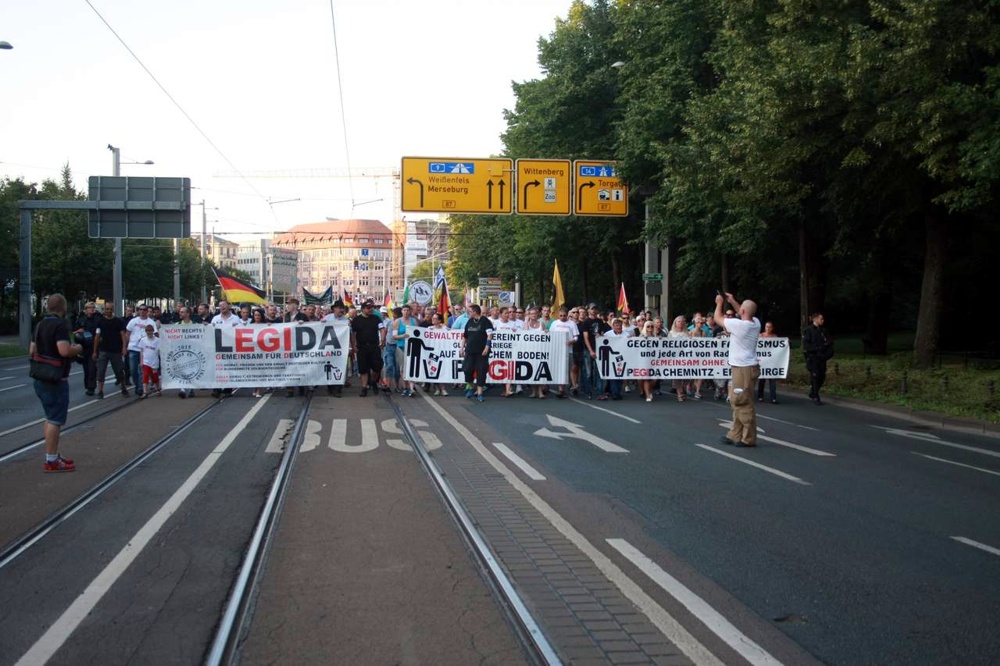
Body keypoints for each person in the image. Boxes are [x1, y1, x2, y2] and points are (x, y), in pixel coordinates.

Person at [30, 293, 85, 472]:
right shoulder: (59, 325)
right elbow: (63, 350)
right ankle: (52, 460)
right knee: (55, 419)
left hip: (40, 377)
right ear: (64, 307)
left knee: (49, 417)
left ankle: (52, 454)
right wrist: (77, 348)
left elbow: (32, 350)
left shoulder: (39, 324)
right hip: (55, 378)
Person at [716, 292, 761, 447]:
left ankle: (748, 438)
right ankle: (735, 434)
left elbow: (718, 319)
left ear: (742, 312)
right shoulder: (755, 322)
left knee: (741, 401)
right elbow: (744, 312)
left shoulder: (741, 325)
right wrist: (733, 301)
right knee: (738, 400)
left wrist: (720, 303)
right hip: (746, 367)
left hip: (743, 369)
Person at [93, 302, 130, 399]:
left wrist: (124, 347)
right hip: (103, 350)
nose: (109, 311)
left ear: (113, 310)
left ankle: (123, 387)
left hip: (115, 351)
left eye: (110, 309)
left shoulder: (118, 321)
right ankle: (100, 391)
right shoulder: (100, 322)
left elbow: (123, 335)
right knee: (101, 372)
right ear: (104, 310)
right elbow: (97, 337)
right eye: (107, 309)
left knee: (119, 371)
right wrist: (94, 351)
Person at [350, 299, 385, 397]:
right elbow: (353, 334)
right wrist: (354, 345)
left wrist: (382, 339)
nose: (370, 310)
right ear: (362, 309)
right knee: (363, 369)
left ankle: (374, 381)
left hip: (374, 346)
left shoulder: (376, 318)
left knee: (377, 366)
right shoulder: (356, 320)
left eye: (371, 308)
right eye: (368, 308)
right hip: (362, 347)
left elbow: (382, 329)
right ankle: (364, 387)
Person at [460, 304, 494, 402]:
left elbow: (489, 335)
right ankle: (471, 387)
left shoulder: (485, 321)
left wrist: (487, 347)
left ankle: (480, 392)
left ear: (475, 311)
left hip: (482, 351)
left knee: (481, 371)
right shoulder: (469, 322)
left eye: (470, 311)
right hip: (470, 351)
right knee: (467, 369)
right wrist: (462, 347)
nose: (468, 313)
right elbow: (465, 336)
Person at [802, 312, 833, 405]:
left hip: (822, 357)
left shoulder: (823, 331)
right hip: (813, 357)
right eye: (821, 319)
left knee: (822, 376)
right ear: (815, 319)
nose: (822, 321)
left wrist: (827, 348)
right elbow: (806, 346)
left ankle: (813, 392)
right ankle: (816, 396)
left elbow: (829, 341)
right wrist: (817, 349)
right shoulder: (808, 331)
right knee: (815, 376)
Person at [547, 306, 578, 399]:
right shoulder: (554, 324)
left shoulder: (572, 324)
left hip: (569, 350)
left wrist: (571, 341)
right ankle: (561, 389)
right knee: (559, 369)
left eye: (564, 315)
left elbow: (576, 337)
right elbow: (550, 335)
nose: (562, 317)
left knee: (569, 369)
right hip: (557, 350)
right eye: (560, 315)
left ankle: (572, 386)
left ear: (567, 315)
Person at [125, 304, 156, 397]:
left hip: (145, 350)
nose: (142, 311)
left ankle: (140, 388)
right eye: (140, 309)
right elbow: (127, 333)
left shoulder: (151, 322)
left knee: (142, 370)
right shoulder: (133, 321)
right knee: (133, 369)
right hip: (133, 348)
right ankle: (137, 385)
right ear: (138, 311)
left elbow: (155, 335)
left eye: (144, 309)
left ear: (147, 311)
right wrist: (124, 347)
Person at [322, 299, 351, 397]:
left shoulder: (346, 320)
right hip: (329, 347)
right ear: (334, 309)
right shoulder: (327, 318)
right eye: (339, 308)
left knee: (341, 367)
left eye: (342, 308)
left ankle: (338, 388)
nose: (341, 310)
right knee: (330, 369)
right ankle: (330, 387)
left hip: (341, 348)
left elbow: (349, 334)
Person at [73, 301, 101, 396]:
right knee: (86, 369)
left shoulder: (97, 319)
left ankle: (91, 388)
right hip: (84, 347)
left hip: (94, 347)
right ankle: (87, 385)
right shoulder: (81, 320)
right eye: (89, 307)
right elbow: (74, 332)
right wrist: (78, 331)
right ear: (85, 309)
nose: (92, 309)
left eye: (93, 307)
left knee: (92, 368)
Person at [392, 304, 420, 397]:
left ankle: (411, 388)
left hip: (412, 347)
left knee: (411, 367)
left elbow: (418, 333)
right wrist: (403, 336)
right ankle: (405, 387)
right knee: (403, 368)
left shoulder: (413, 321)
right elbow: (394, 336)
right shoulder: (397, 321)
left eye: (408, 310)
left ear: (410, 311)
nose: (406, 312)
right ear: (402, 311)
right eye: (404, 310)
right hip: (401, 347)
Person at [174, 305, 199, 398]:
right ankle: (182, 389)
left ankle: (191, 388)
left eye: (182, 312)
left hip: (192, 351)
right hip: (181, 351)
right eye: (180, 312)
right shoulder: (177, 325)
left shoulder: (195, 325)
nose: (180, 313)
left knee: (192, 369)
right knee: (182, 369)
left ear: (188, 314)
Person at [666, 315, 690, 402]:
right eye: (679, 321)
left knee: (687, 376)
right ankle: (679, 393)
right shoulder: (671, 333)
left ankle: (683, 388)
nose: (681, 323)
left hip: (686, 357)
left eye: (682, 321)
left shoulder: (688, 333)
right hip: (675, 357)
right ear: (675, 323)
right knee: (677, 375)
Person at [757, 321, 780, 404]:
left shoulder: (775, 337)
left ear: (772, 328)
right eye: (766, 327)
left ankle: (773, 398)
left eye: (770, 327)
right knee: (762, 380)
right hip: (762, 362)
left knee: (773, 381)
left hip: (771, 362)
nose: (768, 328)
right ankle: (760, 396)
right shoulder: (761, 336)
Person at [139, 324, 162, 398]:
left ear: (153, 331)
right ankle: (145, 392)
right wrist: (141, 361)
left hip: (154, 361)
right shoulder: (143, 340)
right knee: (145, 376)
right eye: (148, 331)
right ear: (146, 332)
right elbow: (142, 351)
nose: (149, 333)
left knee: (155, 376)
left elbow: (159, 351)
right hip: (146, 361)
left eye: (151, 331)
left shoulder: (157, 340)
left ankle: (157, 388)